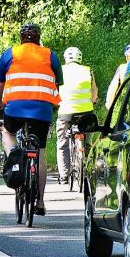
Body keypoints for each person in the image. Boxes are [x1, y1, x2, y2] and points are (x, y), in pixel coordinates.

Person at [0, 22, 63, 216]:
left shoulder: (10, 53)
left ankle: (14, 155)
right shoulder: (50, 55)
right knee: (39, 151)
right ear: (38, 38)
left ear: (21, 38)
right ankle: (40, 201)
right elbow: (58, 83)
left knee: (7, 131)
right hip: (42, 110)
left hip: (14, 108)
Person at [55, 47, 98, 183]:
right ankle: (87, 170)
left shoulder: (60, 70)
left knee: (62, 142)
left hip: (65, 112)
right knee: (88, 142)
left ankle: (63, 175)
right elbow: (94, 92)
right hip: (86, 112)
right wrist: (94, 100)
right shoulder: (87, 70)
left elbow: (55, 90)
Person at [105, 43, 130, 110]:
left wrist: (109, 105)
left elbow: (113, 87)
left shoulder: (122, 68)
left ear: (127, 56)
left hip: (124, 104)